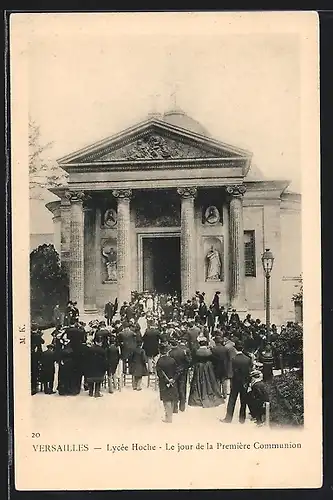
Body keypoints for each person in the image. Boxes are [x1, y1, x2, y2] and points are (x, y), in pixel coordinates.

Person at [188, 337, 224, 408]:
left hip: (199, 368)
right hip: (208, 368)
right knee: (210, 381)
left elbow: (193, 361)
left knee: (198, 381)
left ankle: (199, 395)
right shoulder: (209, 352)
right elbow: (216, 360)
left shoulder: (197, 351)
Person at [222, 340, 252, 424]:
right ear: (242, 348)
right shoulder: (248, 359)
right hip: (244, 383)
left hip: (235, 382)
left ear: (235, 348)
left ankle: (228, 418)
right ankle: (242, 419)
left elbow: (231, 372)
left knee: (232, 400)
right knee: (243, 401)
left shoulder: (233, 359)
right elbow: (249, 371)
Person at [156, 344, 179, 423]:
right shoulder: (172, 360)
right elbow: (176, 371)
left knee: (166, 401)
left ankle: (168, 417)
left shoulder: (159, 361)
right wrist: (173, 379)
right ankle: (170, 415)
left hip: (164, 383)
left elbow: (159, 374)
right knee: (172, 398)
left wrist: (166, 381)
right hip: (172, 381)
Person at [168, 338, 192, 412]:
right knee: (182, 388)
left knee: (174, 389)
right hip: (182, 372)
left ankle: (175, 407)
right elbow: (188, 361)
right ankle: (182, 406)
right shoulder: (183, 352)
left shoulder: (170, 353)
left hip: (174, 372)